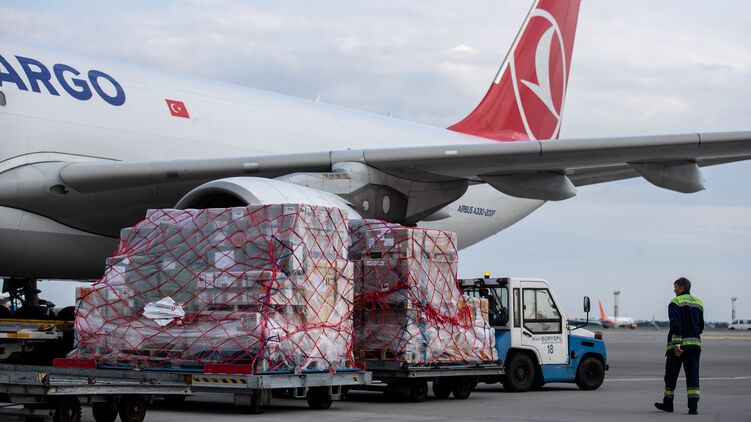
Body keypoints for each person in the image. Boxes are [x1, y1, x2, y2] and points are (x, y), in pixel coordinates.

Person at [654, 277, 704, 415]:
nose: (674, 290)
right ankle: (693, 407)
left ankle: (668, 403)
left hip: (678, 347)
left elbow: (676, 325)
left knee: (671, 375)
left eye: (675, 287)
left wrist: (677, 344)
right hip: (694, 346)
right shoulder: (699, 303)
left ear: (682, 287)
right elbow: (700, 326)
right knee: (693, 376)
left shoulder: (675, 302)